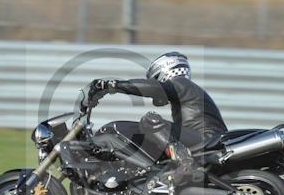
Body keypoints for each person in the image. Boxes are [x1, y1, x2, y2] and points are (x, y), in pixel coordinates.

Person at [91, 51, 227, 160]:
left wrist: (113, 85)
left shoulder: (181, 83)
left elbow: (153, 88)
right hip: (209, 139)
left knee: (150, 120)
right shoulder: (187, 91)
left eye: (155, 79)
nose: (155, 82)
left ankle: (182, 159)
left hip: (206, 139)